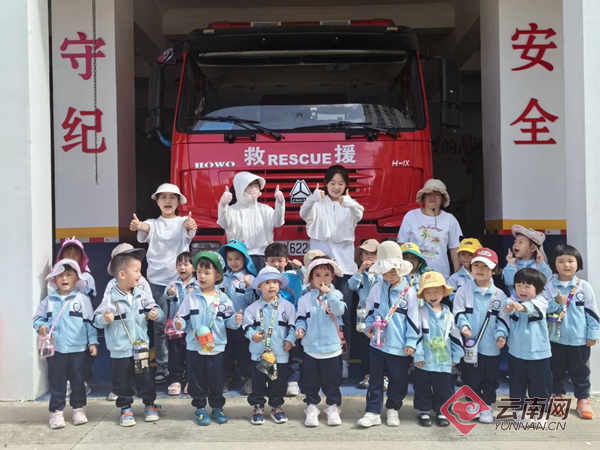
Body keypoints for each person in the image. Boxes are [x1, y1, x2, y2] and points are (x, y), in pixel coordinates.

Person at [300, 164, 364, 378]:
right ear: (325, 184)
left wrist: (349, 201)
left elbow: (359, 213)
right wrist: (311, 199)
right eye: (332, 183)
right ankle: (316, 358)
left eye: (341, 183)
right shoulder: (317, 204)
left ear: (346, 186)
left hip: (344, 268)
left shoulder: (349, 205)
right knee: (316, 312)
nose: (336, 187)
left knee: (343, 314)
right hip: (320, 268)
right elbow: (304, 213)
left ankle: (343, 360)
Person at [130, 183, 197, 384]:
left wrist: (191, 225)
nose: (168, 201)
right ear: (157, 201)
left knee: (184, 325)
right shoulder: (152, 223)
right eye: (163, 197)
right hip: (157, 282)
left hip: (181, 283)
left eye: (172, 197)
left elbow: (190, 228)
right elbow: (146, 228)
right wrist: (139, 226)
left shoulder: (184, 221)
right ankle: (162, 367)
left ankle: (183, 368)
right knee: (160, 326)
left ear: (178, 201)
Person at [94, 248, 164, 427]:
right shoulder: (110, 298)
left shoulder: (142, 295)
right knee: (121, 381)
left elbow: (158, 311)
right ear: (122, 274)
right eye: (137, 270)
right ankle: (125, 408)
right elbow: (95, 320)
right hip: (120, 349)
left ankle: (149, 404)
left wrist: (156, 314)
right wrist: (104, 319)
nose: (140, 275)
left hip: (140, 347)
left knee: (145, 378)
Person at [174, 251, 242, 426]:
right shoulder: (191, 298)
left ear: (217, 276)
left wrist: (235, 321)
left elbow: (229, 322)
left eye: (207, 272)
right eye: (199, 272)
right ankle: (200, 408)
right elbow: (180, 319)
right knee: (196, 379)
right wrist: (179, 324)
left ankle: (217, 407)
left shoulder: (223, 299)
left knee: (217, 380)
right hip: (194, 347)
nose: (202, 276)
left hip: (216, 347)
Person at [357, 241, 419, 428]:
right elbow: (369, 310)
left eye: (393, 271)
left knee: (398, 380)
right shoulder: (377, 288)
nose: (389, 276)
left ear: (400, 269)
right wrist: (368, 326)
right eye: (385, 272)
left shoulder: (409, 292)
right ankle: (373, 411)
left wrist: (411, 342)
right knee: (375, 379)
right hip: (377, 343)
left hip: (399, 346)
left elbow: (414, 320)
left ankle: (393, 408)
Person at [34, 259, 98, 429]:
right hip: (56, 350)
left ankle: (79, 409)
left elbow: (89, 323)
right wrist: (41, 327)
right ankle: (56, 412)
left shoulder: (82, 299)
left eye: (69, 275)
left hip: (78, 349)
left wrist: (92, 342)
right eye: (60, 275)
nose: (64, 278)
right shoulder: (49, 300)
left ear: (77, 278)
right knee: (57, 381)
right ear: (54, 279)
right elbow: (38, 318)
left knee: (78, 380)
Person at [453, 248, 509, 423]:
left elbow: (503, 319)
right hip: (470, 346)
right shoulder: (463, 291)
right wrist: (464, 325)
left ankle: (486, 406)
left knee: (490, 377)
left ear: (494, 270)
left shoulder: (500, 295)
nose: (480, 269)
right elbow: (458, 312)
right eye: (476, 265)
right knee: (470, 377)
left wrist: (501, 335)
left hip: (491, 346)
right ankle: (473, 405)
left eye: (485, 266)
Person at [544, 245, 599, 420]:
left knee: (580, 371)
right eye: (561, 261)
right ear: (554, 264)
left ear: (578, 263)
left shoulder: (584, 286)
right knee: (556, 371)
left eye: (570, 261)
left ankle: (583, 399)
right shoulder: (549, 286)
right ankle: (557, 397)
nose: (566, 265)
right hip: (555, 339)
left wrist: (593, 334)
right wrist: (555, 302)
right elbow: (542, 309)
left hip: (579, 339)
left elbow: (592, 313)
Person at [295, 258, 347, 427]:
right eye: (317, 275)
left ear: (332, 277)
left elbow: (339, 310)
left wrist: (330, 294)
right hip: (311, 348)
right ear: (311, 278)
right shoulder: (304, 299)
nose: (322, 279)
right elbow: (301, 318)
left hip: (332, 348)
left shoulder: (337, 295)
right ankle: (311, 406)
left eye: (326, 275)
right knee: (310, 381)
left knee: (332, 381)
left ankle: (333, 407)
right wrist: (300, 328)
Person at [101, 243, 155, 402]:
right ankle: (122, 399)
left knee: (143, 373)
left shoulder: (142, 282)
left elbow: (150, 303)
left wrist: (152, 313)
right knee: (121, 373)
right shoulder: (112, 286)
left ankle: (147, 399)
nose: (138, 273)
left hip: (139, 340)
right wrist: (105, 318)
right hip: (121, 341)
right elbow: (103, 310)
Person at [243, 266, 297, 425]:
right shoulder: (253, 308)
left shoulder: (288, 306)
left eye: (275, 282)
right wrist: (253, 335)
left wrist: (290, 339)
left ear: (280, 285)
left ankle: (276, 406)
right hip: (259, 353)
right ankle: (258, 406)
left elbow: (293, 326)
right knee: (258, 381)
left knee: (278, 382)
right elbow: (246, 327)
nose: (271, 286)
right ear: (259, 286)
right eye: (267, 282)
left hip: (280, 353)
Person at [413, 272, 463, 427]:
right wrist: (418, 355)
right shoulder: (420, 313)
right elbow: (416, 334)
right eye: (428, 292)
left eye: (436, 291)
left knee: (444, 387)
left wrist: (457, 356)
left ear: (443, 292)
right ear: (422, 295)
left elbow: (455, 336)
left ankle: (443, 411)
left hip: (444, 359)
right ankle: (424, 410)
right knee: (422, 386)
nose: (432, 295)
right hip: (424, 359)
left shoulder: (449, 315)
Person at [50, 237, 97, 395]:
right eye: (68, 254)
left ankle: (83, 381)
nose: (71, 257)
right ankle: (66, 383)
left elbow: (90, 295)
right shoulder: (55, 277)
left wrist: (78, 284)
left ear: (82, 258)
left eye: (76, 254)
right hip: (62, 327)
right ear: (61, 257)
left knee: (83, 356)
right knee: (63, 358)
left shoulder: (87, 277)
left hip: (81, 322)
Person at [505, 268, 552, 425]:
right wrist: (509, 307)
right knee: (517, 385)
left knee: (540, 385)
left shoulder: (541, 301)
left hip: (539, 354)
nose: (522, 290)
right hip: (516, 353)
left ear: (538, 289)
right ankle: (519, 411)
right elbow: (507, 305)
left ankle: (540, 412)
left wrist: (521, 307)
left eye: (527, 286)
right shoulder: (512, 300)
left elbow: (530, 308)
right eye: (519, 285)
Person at [218, 171, 285, 271]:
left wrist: (280, 204)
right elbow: (224, 223)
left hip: (263, 257)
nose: (253, 188)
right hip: (240, 258)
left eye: (256, 185)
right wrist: (223, 205)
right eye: (249, 185)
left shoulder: (265, 209)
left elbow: (278, 222)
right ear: (240, 187)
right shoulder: (232, 210)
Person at [396, 179, 463, 279]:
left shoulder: (450, 219)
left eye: (437, 194)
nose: (432, 197)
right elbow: (402, 245)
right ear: (423, 197)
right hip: (414, 277)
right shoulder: (411, 216)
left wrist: (457, 275)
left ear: (442, 198)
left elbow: (454, 248)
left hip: (441, 277)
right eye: (429, 194)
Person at [263, 242, 304, 396]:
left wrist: (300, 268)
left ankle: (292, 381)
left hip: (292, 321)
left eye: (280, 260)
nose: (276, 264)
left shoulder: (294, 276)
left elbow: (307, 278)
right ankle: (270, 378)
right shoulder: (262, 278)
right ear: (266, 261)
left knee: (293, 352)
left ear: (286, 261)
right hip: (271, 321)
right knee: (270, 350)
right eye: (272, 260)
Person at [218, 240, 258, 395]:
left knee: (244, 352)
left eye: (237, 258)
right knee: (226, 352)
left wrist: (249, 287)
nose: (233, 262)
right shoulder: (222, 278)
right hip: (225, 323)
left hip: (243, 324)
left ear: (244, 259)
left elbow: (253, 302)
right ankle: (227, 377)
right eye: (229, 259)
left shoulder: (250, 278)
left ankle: (249, 377)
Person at [164, 251, 199, 396]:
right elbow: (167, 295)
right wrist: (170, 293)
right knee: (175, 354)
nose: (182, 267)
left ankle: (191, 380)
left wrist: (193, 293)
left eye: (186, 264)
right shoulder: (173, 284)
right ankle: (175, 380)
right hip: (175, 327)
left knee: (191, 354)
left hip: (191, 327)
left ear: (194, 268)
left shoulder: (198, 284)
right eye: (179, 265)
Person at [349, 239, 381, 389]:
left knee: (380, 344)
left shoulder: (383, 273)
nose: (370, 256)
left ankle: (383, 376)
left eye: (373, 253)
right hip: (363, 314)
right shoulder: (360, 274)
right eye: (366, 253)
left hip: (380, 314)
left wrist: (377, 270)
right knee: (364, 345)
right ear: (361, 257)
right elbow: (351, 286)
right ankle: (368, 374)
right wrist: (360, 271)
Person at [502, 225, 552, 297]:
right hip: (516, 301)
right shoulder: (513, 265)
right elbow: (509, 282)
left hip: (536, 301)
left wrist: (541, 263)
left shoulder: (538, 265)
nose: (516, 245)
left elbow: (547, 280)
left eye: (520, 242)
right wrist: (510, 264)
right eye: (515, 242)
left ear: (533, 248)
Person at [447, 238, 482, 303]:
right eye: (463, 254)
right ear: (458, 256)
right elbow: (451, 296)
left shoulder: (484, 275)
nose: (466, 257)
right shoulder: (454, 278)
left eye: (470, 254)